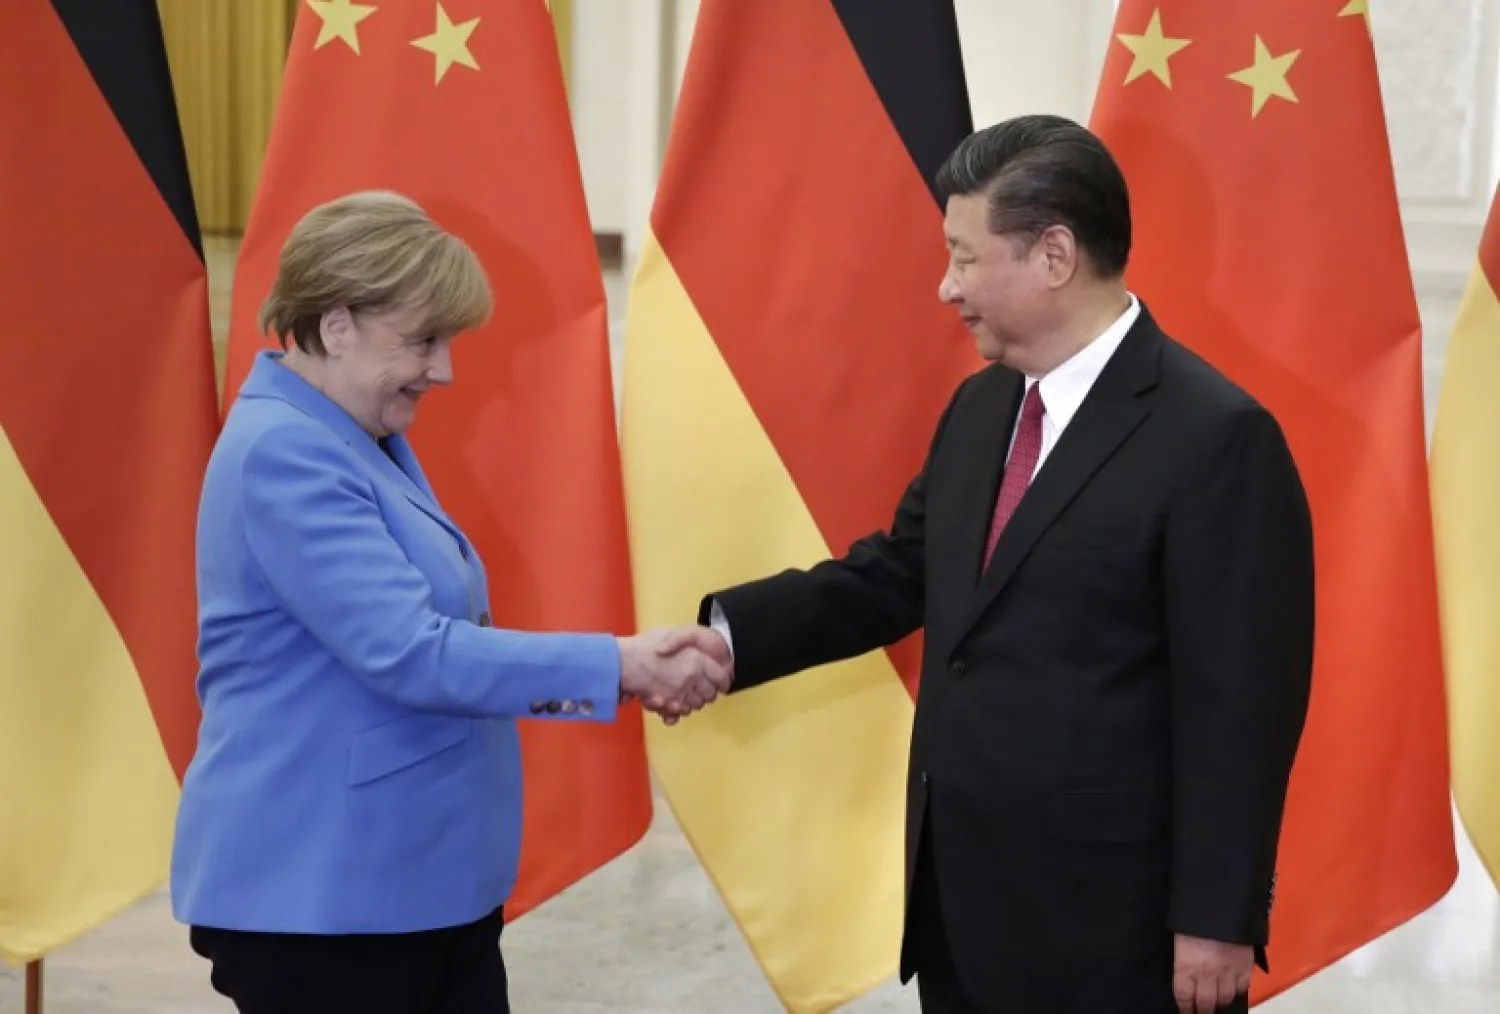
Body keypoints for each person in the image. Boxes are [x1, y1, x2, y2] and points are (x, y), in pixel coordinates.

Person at [661, 115, 1316, 1012]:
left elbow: (1242, 707)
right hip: (961, 907)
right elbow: (897, 574)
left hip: (1114, 930)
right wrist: (728, 643)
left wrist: (1218, 914)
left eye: (964, 258)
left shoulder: (1216, 437)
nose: (945, 287)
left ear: (1054, 255)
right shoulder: (980, 409)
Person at [170, 190, 727, 1014]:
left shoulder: (351, 433)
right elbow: (412, 650)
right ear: (335, 326)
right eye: (423, 340)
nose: (445, 369)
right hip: (327, 896)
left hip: (407, 884)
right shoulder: (286, 454)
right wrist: (620, 665)